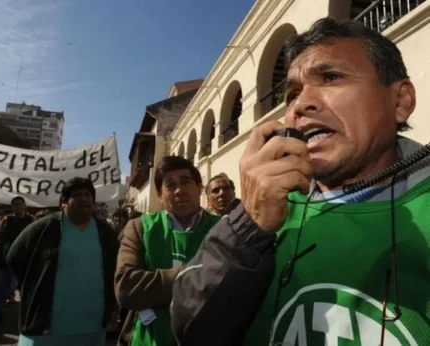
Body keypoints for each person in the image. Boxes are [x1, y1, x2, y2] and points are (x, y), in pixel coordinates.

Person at [170, 17, 430, 345]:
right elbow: (191, 330)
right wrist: (248, 227)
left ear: (400, 101)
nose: (300, 105)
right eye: (292, 93)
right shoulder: (265, 217)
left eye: (332, 77)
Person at [115, 156, 221, 346]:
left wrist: (156, 285)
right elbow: (126, 287)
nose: (179, 190)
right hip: (149, 339)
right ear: (159, 195)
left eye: (186, 182)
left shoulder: (223, 229)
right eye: (170, 185)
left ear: (199, 187)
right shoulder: (139, 228)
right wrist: (196, 275)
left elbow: (231, 285)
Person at [6, 177, 119, 346]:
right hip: (46, 328)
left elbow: (116, 268)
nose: (83, 199)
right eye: (77, 195)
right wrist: (34, 285)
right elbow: (14, 257)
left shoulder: (105, 232)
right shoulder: (44, 227)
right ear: (63, 202)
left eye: (88, 194)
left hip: (92, 325)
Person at [0, 196, 33, 324]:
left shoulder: (31, 221)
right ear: (11, 207)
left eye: (20, 204)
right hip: (5, 260)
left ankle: (27, 317)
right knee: (1, 287)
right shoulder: (6, 220)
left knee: (24, 289)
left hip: (24, 261)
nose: (17, 206)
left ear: (24, 206)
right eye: (15, 204)